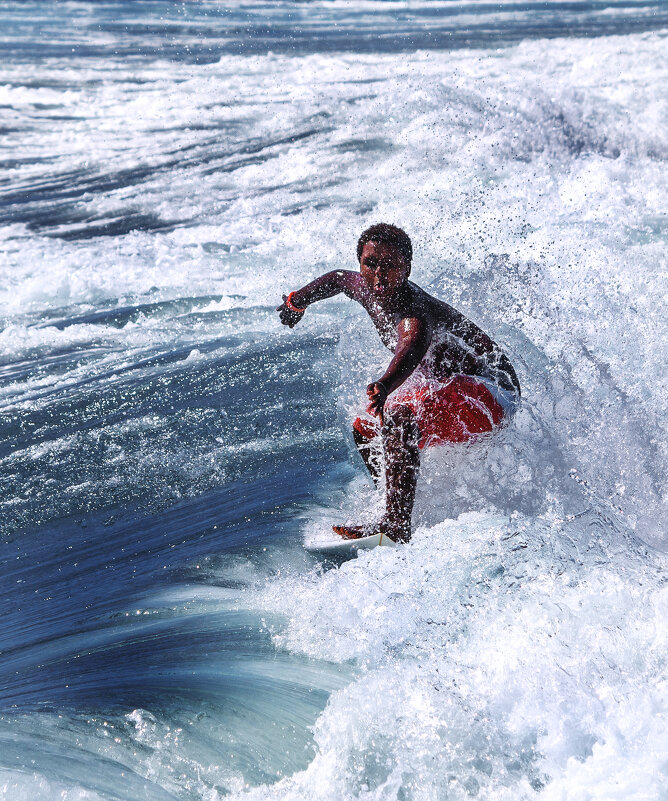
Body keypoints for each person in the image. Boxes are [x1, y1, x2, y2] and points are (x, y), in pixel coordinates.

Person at [277, 223, 520, 543]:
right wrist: (296, 303)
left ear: (406, 268)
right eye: (371, 264)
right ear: (360, 264)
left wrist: (386, 384)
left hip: (493, 390)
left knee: (399, 417)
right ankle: (392, 506)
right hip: (456, 386)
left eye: (390, 265)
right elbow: (336, 279)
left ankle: (395, 526)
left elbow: (412, 346)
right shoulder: (362, 286)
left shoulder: (415, 312)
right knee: (365, 426)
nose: (379, 274)